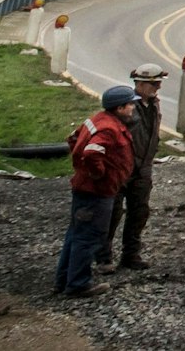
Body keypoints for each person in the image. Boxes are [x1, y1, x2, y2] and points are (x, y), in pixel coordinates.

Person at [55, 85, 137, 297]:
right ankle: (78, 284)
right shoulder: (109, 129)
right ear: (119, 108)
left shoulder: (97, 120)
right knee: (88, 238)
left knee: (75, 235)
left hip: (85, 189)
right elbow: (92, 153)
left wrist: (83, 169)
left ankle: (63, 280)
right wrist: (98, 174)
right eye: (130, 104)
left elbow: (73, 139)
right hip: (96, 193)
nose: (132, 108)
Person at [98, 63, 166, 273]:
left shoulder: (154, 104)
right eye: (154, 83)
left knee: (139, 212)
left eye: (158, 83)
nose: (157, 87)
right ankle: (103, 257)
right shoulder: (125, 106)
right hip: (121, 170)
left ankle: (131, 254)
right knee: (112, 214)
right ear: (140, 84)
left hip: (143, 169)